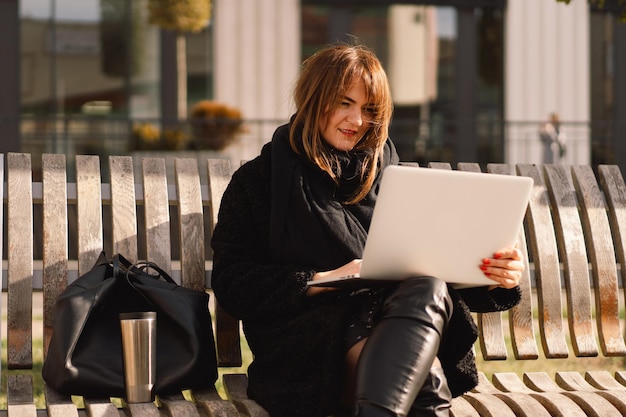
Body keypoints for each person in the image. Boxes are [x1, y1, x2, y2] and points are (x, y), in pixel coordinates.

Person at [210, 43, 524, 417]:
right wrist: (323, 278)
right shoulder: (260, 180)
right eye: (344, 103)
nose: (357, 120)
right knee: (422, 377)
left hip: (396, 323)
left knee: (427, 287)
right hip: (306, 346)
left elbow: (431, 263)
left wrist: (494, 277)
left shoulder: (394, 178)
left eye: (369, 110)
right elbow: (231, 281)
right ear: (313, 100)